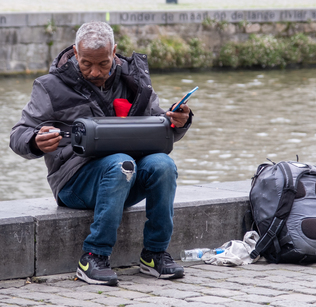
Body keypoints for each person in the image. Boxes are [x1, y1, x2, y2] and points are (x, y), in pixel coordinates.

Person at [9, 21, 192, 286]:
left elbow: (158, 129)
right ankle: (93, 257)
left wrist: (178, 121)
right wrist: (35, 141)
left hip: (126, 175)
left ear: (114, 52)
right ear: (75, 52)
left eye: (103, 64)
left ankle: (154, 254)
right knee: (121, 163)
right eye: (86, 64)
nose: (95, 72)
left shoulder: (134, 79)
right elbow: (18, 135)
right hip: (74, 182)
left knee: (163, 164)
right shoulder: (49, 87)